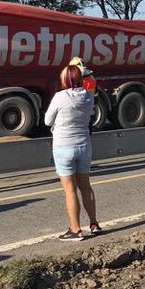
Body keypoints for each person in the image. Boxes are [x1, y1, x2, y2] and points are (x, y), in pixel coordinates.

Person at [45, 64, 101, 241]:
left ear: (64, 80)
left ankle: (76, 229)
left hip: (63, 146)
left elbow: (47, 121)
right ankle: (94, 223)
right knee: (86, 186)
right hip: (84, 145)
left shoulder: (60, 97)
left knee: (70, 190)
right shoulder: (88, 97)